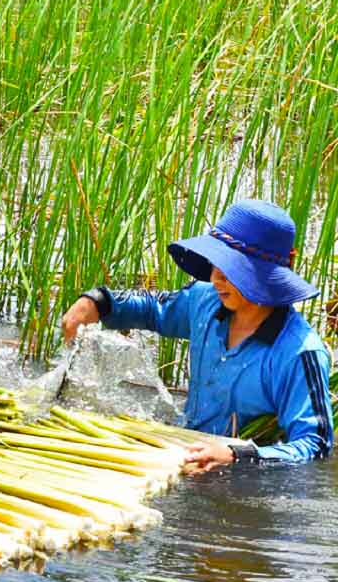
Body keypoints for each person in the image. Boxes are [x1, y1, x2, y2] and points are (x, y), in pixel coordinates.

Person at [60, 199, 332, 473]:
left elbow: (315, 444)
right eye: (216, 264)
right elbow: (154, 309)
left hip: (236, 478)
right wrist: (97, 302)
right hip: (184, 455)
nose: (215, 278)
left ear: (266, 275)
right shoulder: (206, 300)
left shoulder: (298, 352)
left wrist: (238, 456)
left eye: (232, 270)